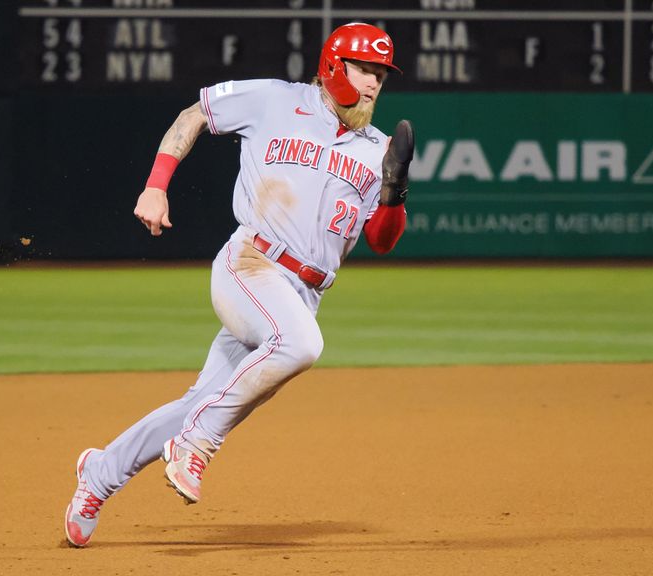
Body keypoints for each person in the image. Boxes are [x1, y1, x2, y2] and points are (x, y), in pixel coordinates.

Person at [64, 22, 414, 548]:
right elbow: (194, 115)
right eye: (365, 69)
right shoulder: (274, 99)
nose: (373, 84)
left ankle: (99, 474)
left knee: (200, 399)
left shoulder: (377, 148)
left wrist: (393, 191)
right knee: (299, 345)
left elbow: (382, 241)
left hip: (305, 292)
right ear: (333, 66)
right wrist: (155, 187)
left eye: (381, 75)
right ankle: (197, 444)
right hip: (251, 263)